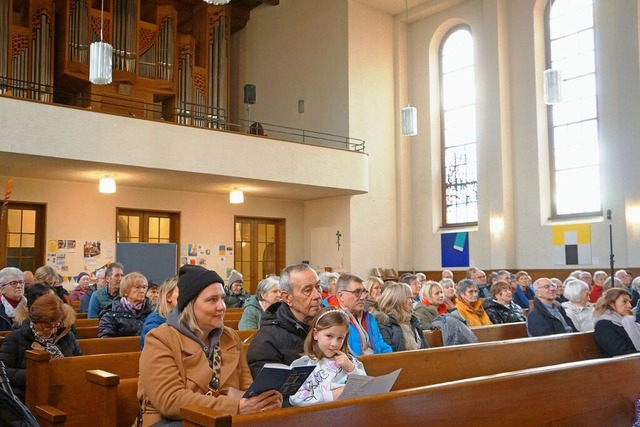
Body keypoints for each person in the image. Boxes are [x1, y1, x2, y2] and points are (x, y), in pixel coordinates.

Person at [137, 265, 282, 426]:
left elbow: (246, 386)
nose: (222, 306)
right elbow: (170, 400)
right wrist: (235, 406)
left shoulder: (230, 337)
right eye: (212, 300)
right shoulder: (160, 339)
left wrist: (262, 401)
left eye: (222, 298)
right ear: (190, 305)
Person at [0, 291, 81, 399]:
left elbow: (79, 362)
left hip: (64, 391)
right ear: (35, 320)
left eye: (56, 325)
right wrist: (37, 374)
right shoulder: (15, 339)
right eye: (46, 326)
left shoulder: (66, 335)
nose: (52, 331)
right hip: (27, 393)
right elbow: (3, 371)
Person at [247, 264, 323, 378]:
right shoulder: (266, 341)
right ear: (287, 298)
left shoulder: (328, 325)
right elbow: (271, 392)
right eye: (307, 290)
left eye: (318, 287)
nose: (317, 295)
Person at [289, 307, 366, 406]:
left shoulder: (350, 361)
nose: (334, 343)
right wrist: (332, 396)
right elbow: (295, 398)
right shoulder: (302, 365)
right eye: (329, 336)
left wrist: (351, 368)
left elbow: (365, 387)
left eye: (340, 338)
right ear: (315, 334)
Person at [325, 273, 392, 356]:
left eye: (364, 292)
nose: (363, 297)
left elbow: (382, 346)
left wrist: (392, 361)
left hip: (375, 364)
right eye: (357, 292)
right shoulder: (330, 319)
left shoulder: (369, 318)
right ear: (341, 295)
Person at [374, 282, 428, 352]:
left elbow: (426, 349)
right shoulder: (384, 323)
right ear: (399, 300)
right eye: (410, 298)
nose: (413, 301)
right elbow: (389, 355)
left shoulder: (413, 321)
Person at [98, 272, 153, 338]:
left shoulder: (152, 311)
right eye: (137, 287)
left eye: (144, 287)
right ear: (125, 291)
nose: (142, 290)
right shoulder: (110, 314)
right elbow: (106, 341)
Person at [593, 288, 640, 357]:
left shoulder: (628, 321)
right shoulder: (603, 325)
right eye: (624, 301)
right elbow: (620, 352)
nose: (629, 306)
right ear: (611, 303)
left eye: (629, 302)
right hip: (618, 365)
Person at [140, 277, 179, 350]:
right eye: (181, 292)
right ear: (168, 297)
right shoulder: (154, 321)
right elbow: (154, 350)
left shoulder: (184, 319)